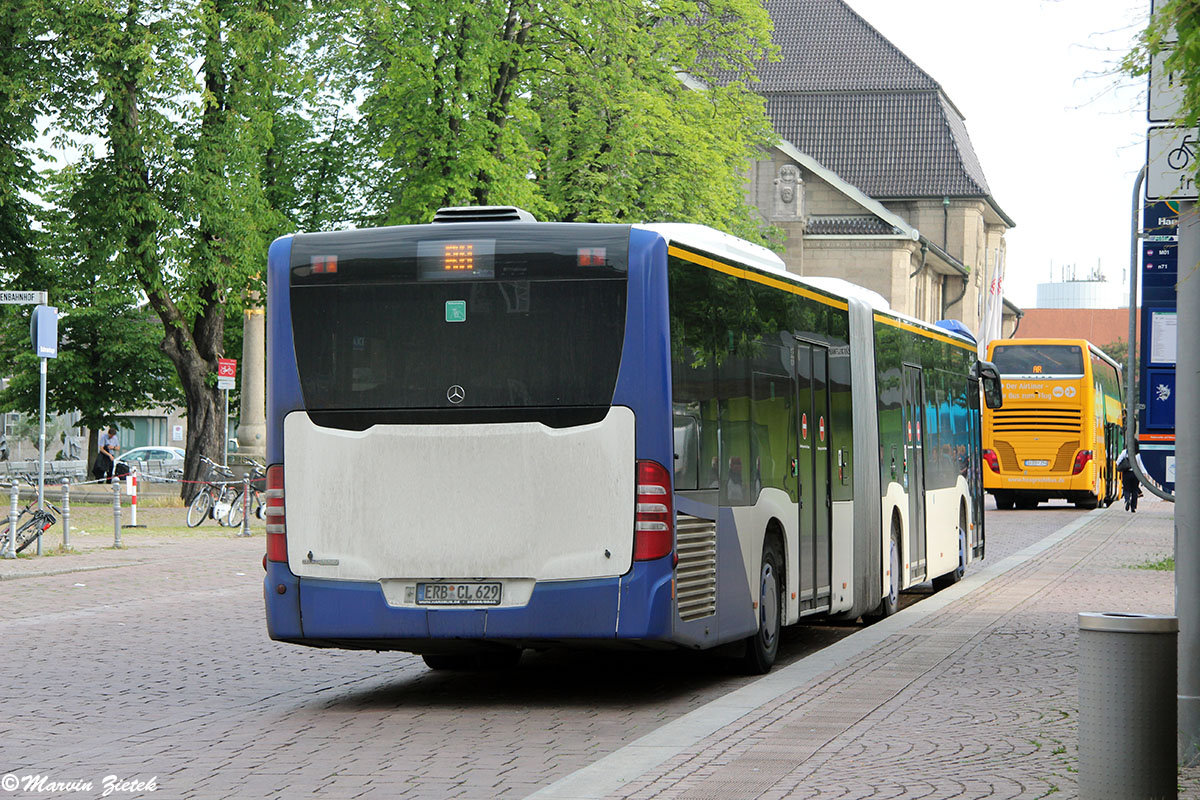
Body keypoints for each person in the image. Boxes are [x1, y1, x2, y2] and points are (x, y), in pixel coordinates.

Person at [1116, 448, 1144, 513]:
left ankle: (1127, 499)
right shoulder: (1138, 454)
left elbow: (1118, 461)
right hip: (1136, 474)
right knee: (1135, 490)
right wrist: (1143, 474)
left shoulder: (1125, 452)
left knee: (1126, 488)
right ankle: (1133, 507)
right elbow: (1141, 465)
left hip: (1126, 473)